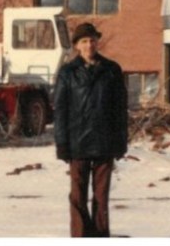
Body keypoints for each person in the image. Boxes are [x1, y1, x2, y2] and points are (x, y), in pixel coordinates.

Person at [54, 22, 128, 238]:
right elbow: (61, 112)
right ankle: (79, 236)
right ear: (77, 45)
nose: (89, 45)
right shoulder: (68, 73)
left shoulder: (112, 70)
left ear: (97, 42)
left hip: (105, 143)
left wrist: (121, 142)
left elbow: (119, 110)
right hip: (77, 144)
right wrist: (62, 145)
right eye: (84, 41)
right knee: (77, 196)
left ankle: (100, 236)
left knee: (101, 196)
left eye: (92, 40)